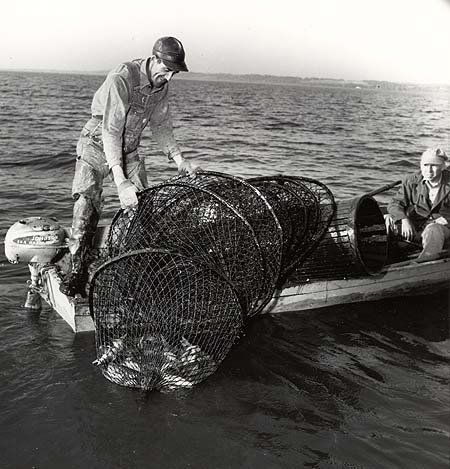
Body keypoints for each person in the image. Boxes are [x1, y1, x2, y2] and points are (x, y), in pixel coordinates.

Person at [60, 36, 198, 296]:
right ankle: (77, 272)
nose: (168, 78)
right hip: (97, 142)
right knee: (86, 205)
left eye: (174, 73)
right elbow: (111, 130)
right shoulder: (122, 77)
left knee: (142, 208)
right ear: (154, 59)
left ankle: (136, 273)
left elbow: (161, 126)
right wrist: (120, 180)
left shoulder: (161, 87)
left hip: (130, 147)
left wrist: (179, 160)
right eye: (166, 70)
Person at [386, 147, 450, 261]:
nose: (429, 170)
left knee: (433, 229)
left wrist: (447, 219)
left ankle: (424, 263)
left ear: (442, 167)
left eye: (434, 165)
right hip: (418, 227)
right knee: (388, 219)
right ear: (420, 165)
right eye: (425, 165)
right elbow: (394, 204)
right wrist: (404, 219)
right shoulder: (412, 180)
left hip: (443, 231)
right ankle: (385, 258)